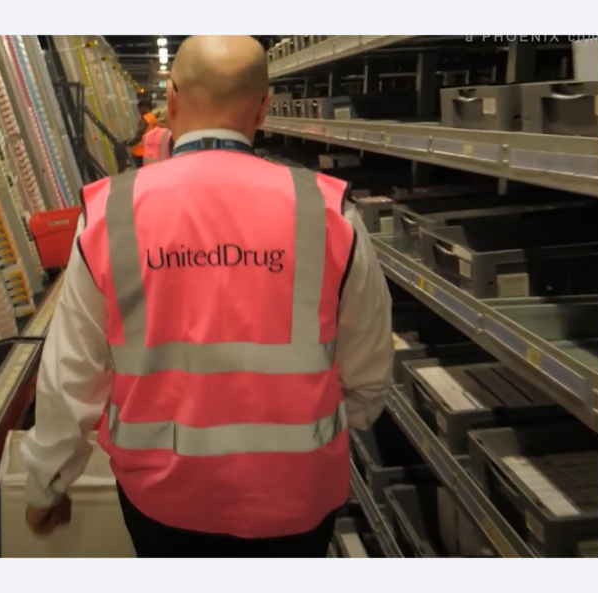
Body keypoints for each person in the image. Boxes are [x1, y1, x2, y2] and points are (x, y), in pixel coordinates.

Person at [20, 34, 393, 559]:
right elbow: (369, 367)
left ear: (170, 98)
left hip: (165, 503)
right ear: (263, 106)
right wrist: (346, 419)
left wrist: (46, 484)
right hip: (296, 500)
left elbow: (71, 374)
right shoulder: (328, 213)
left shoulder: (112, 214)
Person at [125, 99, 158, 167]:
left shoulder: (145, 119)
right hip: (152, 152)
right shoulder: (154, 117)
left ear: (144, 107)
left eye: (139, 109)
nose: (139, 112)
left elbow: (139, 135)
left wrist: (129, 142)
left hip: (141, 153)